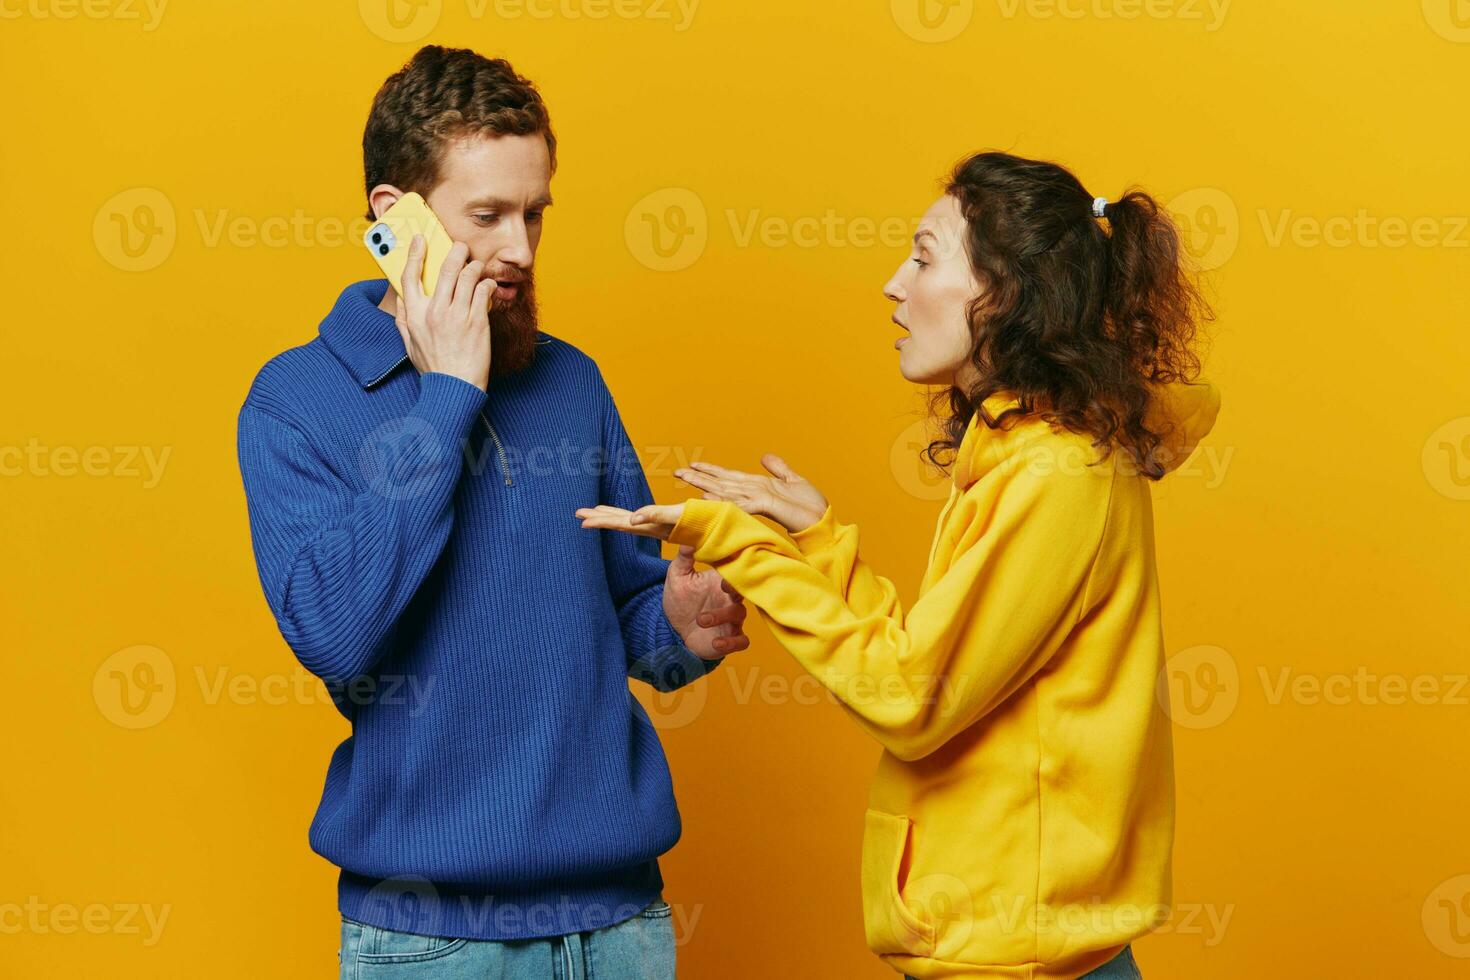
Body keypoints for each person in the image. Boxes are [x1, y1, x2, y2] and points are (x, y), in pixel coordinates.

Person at [578, 151, 1221, 979]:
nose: (893, 283)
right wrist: (818, 538)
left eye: (923, 256)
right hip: (1004, 950)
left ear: (1007, 294)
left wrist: (745, 544)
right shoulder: (1026, 454)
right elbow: (927, 659)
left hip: (1020, 961)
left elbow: (911, 700)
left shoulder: (1056, 474)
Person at [237, 45, 748, 979]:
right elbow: (334, 635)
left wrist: (682, 622)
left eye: (535, 213)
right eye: (488, 216)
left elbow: (633, 616)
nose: (519, 248)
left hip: (620, 924)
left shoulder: (569, 380)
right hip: (429, 940)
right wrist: (446, 397)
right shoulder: (295, 400)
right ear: (395, 220)